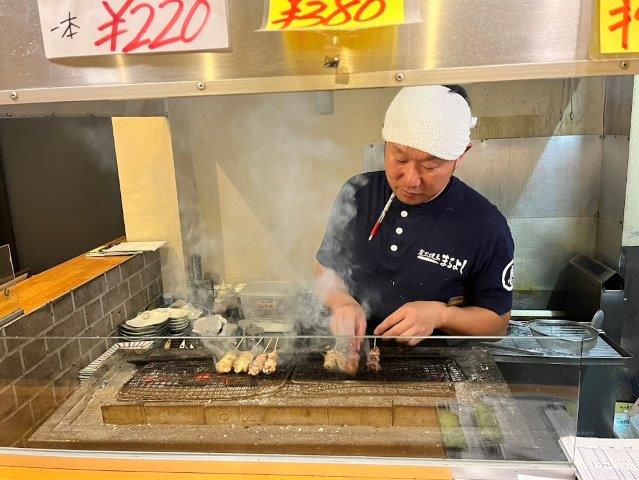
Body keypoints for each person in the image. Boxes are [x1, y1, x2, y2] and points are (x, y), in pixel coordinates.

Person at [315, 85, 514, 347]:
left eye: (430, 166)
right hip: (353, 354)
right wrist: (341, 302)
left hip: (437, 369)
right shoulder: (358, 193)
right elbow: (325, 269)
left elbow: (496, 324)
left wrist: (441, 315)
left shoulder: (486, 225)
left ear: (461, 156)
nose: (410, 180)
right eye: (399, 158)